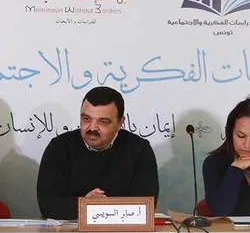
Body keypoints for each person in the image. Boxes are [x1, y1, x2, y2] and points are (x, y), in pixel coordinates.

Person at [36, 86, 159, 219]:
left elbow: (144, 208)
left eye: (103, 122)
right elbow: (47, 205)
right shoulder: (59, 147)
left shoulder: (139, 150)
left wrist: (93, 208)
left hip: (122, 232)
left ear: (120, 123)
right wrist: (84, 204)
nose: (92, 128)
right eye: (86, 119)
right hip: (70, 231)